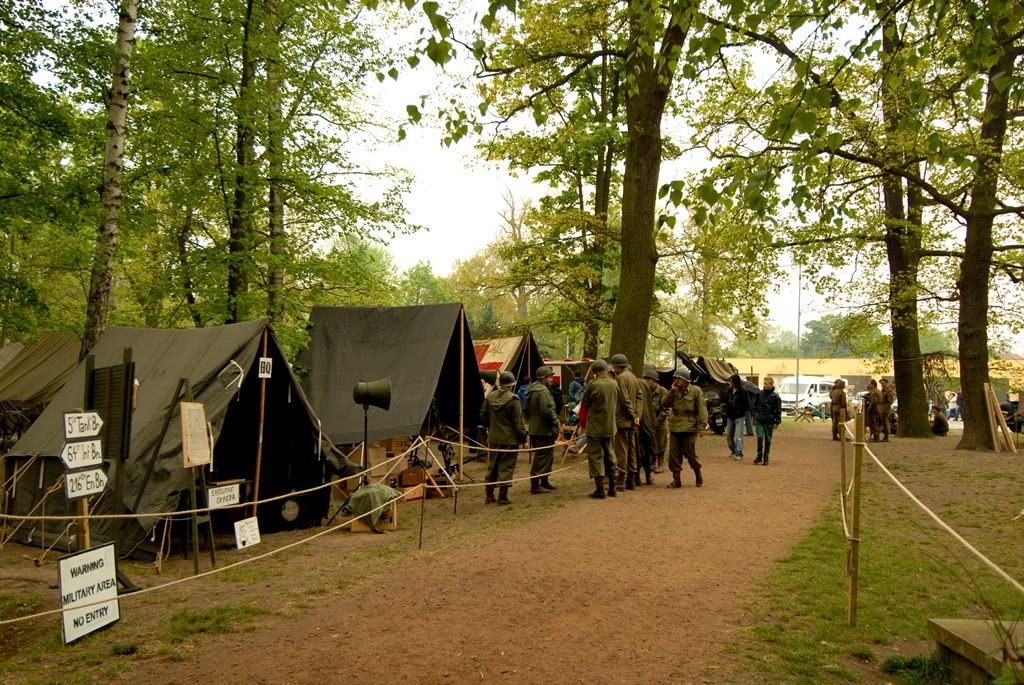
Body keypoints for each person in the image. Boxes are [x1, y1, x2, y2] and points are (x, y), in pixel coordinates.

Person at [480, 371, 528, 505]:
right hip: (509, 439)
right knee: (506, 467)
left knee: (492, 466)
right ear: (512, 385)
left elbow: (483, 416)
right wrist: (523, 439)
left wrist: (491, 426)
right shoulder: (513, 399)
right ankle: (502, 496)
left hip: (494, 438)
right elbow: (518, 423)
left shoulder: (490, 397)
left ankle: (489, 495)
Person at [663, 368, 708, 489]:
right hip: (675, 427)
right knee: (674, 454)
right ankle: (676, 479)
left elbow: (702, 410)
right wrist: (671, 391)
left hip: (690, 427)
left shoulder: (695, 391)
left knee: (690, 454)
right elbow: (664, 403)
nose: (676, 381)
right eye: (675, 379)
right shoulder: (674, 391)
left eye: (678, 379)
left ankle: (698, 473)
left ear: (685, 380)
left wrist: (702, 426)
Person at [580, 359, 618, 499]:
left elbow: (586, 404)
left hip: (595, 427)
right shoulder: (614, 383)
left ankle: (600, 489)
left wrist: (583, 424)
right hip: (610, 426)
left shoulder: (593, 385)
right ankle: (613, 488)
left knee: (596, 457)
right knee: (610, 455)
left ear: (594, 371)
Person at [610, 353, 644, 490]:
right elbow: (640, 397)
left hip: (623, 420)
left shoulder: (620, 378)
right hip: (633, 421)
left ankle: (621, 480)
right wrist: (638, 416)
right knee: (632, 449)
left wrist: (632, 415)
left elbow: (624, 400)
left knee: (622, 450)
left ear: (617, 366)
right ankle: (631, 479)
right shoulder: (633, 377)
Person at [526, 366, 561, 494]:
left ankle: (544, 481)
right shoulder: (543, 391)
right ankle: (535, 485)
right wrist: (555, 424)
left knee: (546, 456)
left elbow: (527, 409)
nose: (551, 379)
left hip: (535, 427)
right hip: (544, 428)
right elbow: (547, 411)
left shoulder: (531, 389)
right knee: (542, 457)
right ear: (543, 378)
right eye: (549, 377)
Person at [643, 368, 670, 474]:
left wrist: (656, 422)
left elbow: (666, 409)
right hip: (648, 423)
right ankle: (652, 463)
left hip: (660, 424)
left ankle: (661, 464)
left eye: (648, 379)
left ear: (654, 380)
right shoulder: (645, 391)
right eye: (645, 379)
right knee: (650, 444)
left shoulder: (662, 391)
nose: (646, 381)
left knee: (660, 444)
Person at [752, 376, 782, 465]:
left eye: (766, 384)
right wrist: (756, 415)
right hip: (760, 420)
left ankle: (766, 458)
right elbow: (754, 405)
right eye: (764, 383)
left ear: (771, 385)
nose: (764, 385)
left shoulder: (775, 397)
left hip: (769, 421)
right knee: (760, 437)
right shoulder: (759, 394)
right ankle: (759, 456)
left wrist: (777, 421)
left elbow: (778, 410)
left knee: (768, 440)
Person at [723, 374, 749, 460]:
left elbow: (746, 404)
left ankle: (739, 453)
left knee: (738, 436)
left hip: (739, 417)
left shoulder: (743, 392)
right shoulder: (729, 391)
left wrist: (740, 411)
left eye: (732, 381)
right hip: (730, 416)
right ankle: (733, 450)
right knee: (729, 436)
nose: (731, 383)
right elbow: (726, 401)